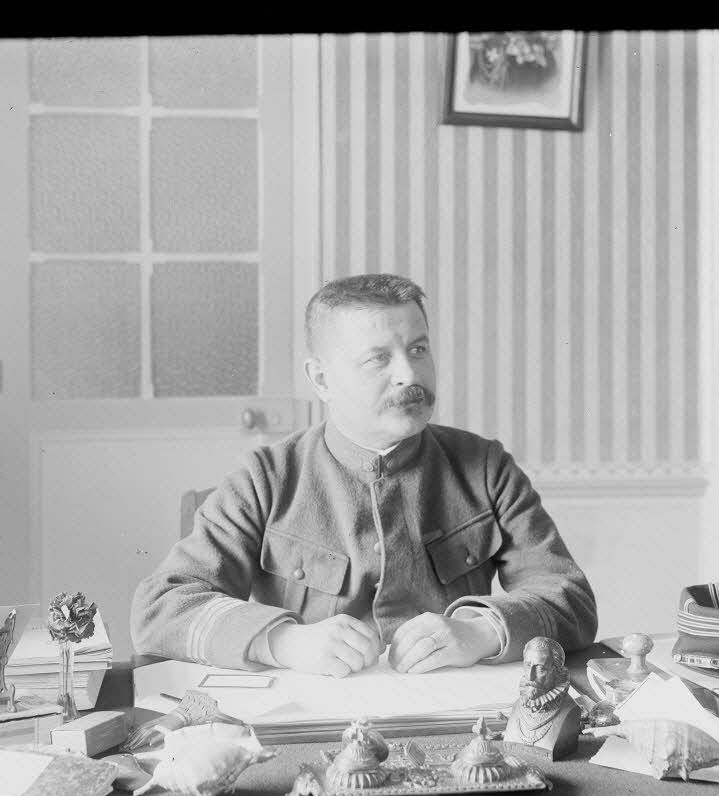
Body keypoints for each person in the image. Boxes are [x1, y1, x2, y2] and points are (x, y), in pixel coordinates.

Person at [130, 273, 597, 675]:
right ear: (321, 379)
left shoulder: (485, 467)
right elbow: (160, 611)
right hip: (312, 725)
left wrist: (481, 632)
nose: (409, 374)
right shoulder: (265, 480)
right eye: (378, 358)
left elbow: (570, 599)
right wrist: (283, 642)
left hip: (456, 720)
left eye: (418, 349)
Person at [502, 636, 580, 757]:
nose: (530, 677)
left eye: (541, 669)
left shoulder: (570, 710)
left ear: (557, 671)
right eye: (528, 665)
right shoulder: (517, 705)